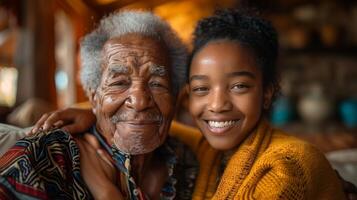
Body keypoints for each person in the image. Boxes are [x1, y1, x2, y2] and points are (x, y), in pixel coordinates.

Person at [29, 9, 357, 199]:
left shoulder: (286, 169)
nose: (216, 105)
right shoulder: (206, 147)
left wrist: (107, 193)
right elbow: (150, 117)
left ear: (268, 92)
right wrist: (93, 112)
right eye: (202, 88)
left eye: (240, 86)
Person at [0, 10, 189, 200]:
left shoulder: (187, 161)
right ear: (93, 97)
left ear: (175, 96)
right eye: (119, 83)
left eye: (156, 83)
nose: (139, 102)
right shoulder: (49, 156)